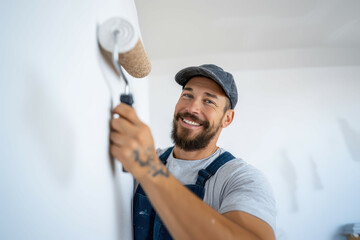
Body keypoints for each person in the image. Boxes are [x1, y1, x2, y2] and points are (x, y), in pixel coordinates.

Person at [110, 64, 276, 240]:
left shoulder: (241, 178)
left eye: (209, 101)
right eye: (187, 95)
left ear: (227, 118)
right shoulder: (139, 157)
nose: (191, 108)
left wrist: (149, 169)